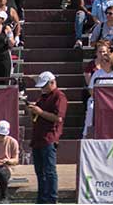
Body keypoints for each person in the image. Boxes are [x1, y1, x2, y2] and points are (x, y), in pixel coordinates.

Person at [28, 71, 67, 204]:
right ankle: (42, 199)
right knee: (40, 172)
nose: (42, 88)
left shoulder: (59, 96)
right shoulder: (42, 97)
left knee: (49, 171)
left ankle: (51, 199)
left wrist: (40, 112)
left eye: (44, 85)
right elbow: (35, 118)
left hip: (49, 137)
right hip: (38, 138)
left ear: (52, 82)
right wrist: (32, 111)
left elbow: (58, 118)